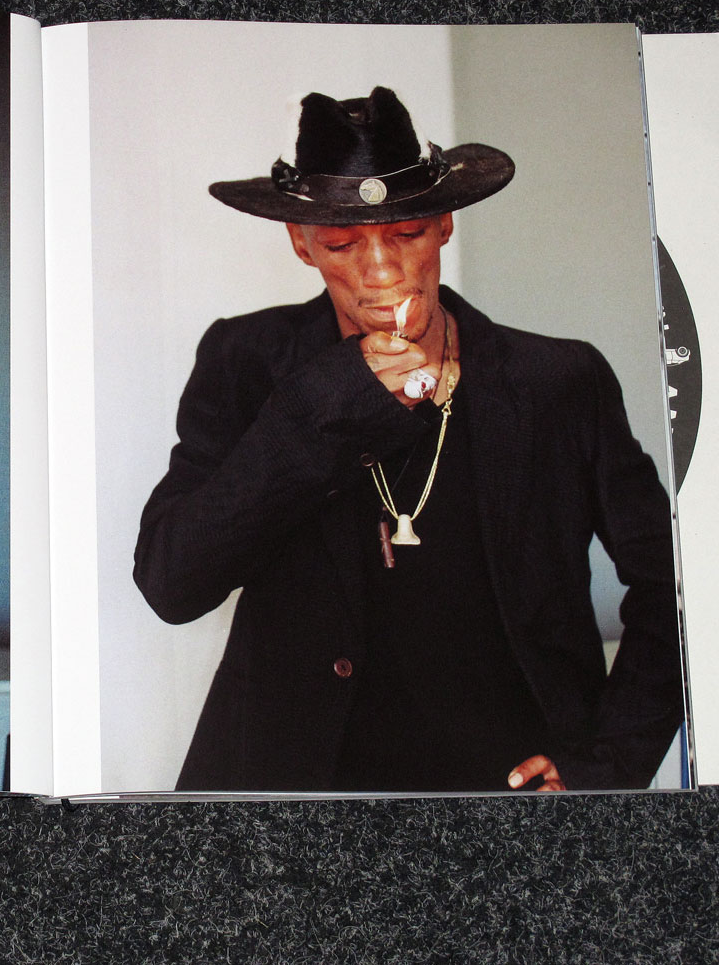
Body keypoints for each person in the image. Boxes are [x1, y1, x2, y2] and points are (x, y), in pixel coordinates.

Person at [134, 87, 683, 793]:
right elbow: (171, 583)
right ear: (302, 242)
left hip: (508, 792)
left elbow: (676, 585)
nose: (382, 271)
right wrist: (318, 404)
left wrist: (607, 764)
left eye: (408, 234)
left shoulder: (559, 382)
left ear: (445, 224)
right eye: (342, 244)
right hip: (294, 789)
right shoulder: (247, 361)